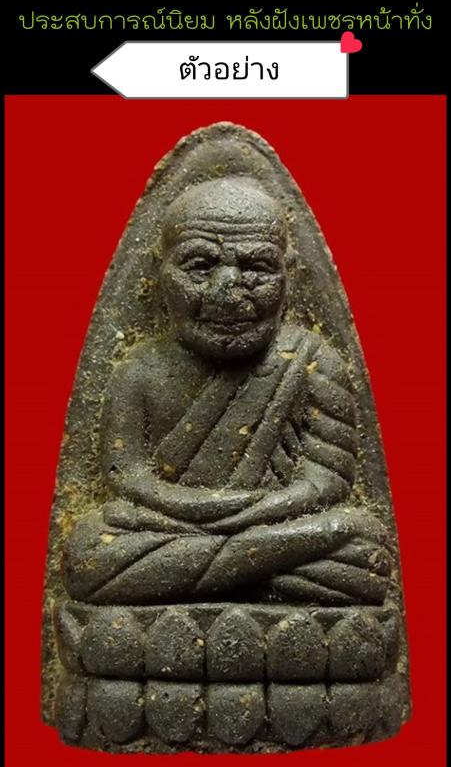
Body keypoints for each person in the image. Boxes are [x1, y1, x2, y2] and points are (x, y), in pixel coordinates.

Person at [63, 177, 390, 605]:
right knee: (90, 551)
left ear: (290, 273)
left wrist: (244, 517)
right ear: (161, 272)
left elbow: (328, 481)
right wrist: (207, 515)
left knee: (362, 545)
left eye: (257, 268)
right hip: (179, 526)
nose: (227, 290)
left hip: (269, 525)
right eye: (200, 266)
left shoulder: (312, 360)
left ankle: (210, 578)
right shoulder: (138, 369)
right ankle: (253, 578)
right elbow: (127, 477)